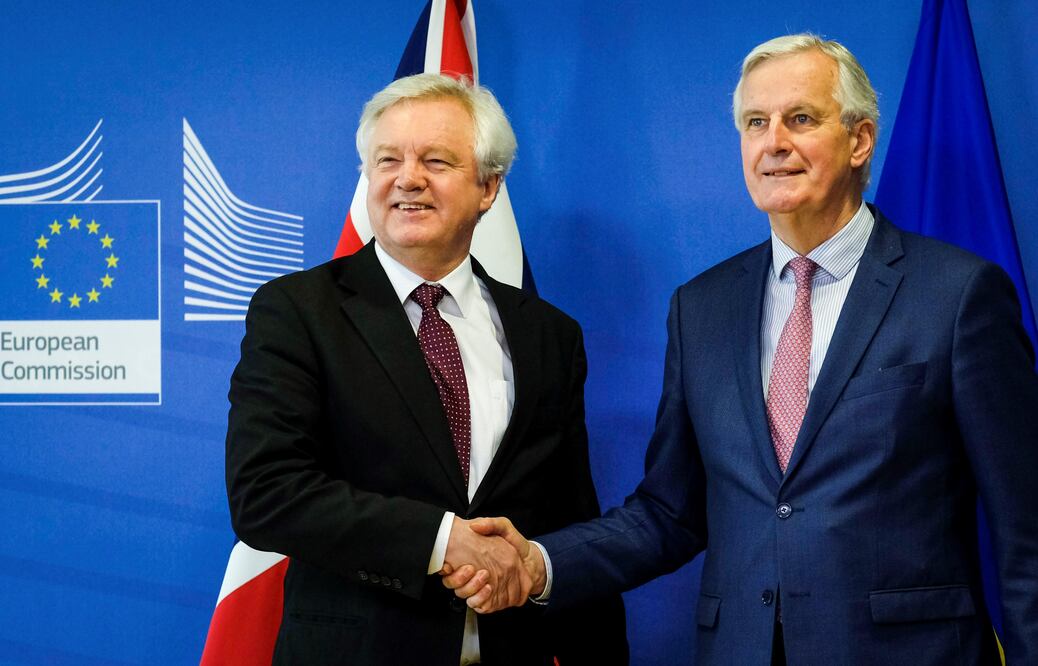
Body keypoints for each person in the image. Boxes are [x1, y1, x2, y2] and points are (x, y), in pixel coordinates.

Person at [444, 35, 1038, 665]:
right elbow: (670, 512)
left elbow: (1026, 526)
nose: (773, 141)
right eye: (756, 122)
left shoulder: (958, 294)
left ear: (860, 139)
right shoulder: (701, 308)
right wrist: (538, 563)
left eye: (800, 119)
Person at [225, 73, 627, 665]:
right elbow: (266, 492)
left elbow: (571, 517)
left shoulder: (549, 334)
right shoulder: (297, 312)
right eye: (387, 159)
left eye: (435, 160)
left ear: (488, 187)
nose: (407, 178)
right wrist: (443, 541)